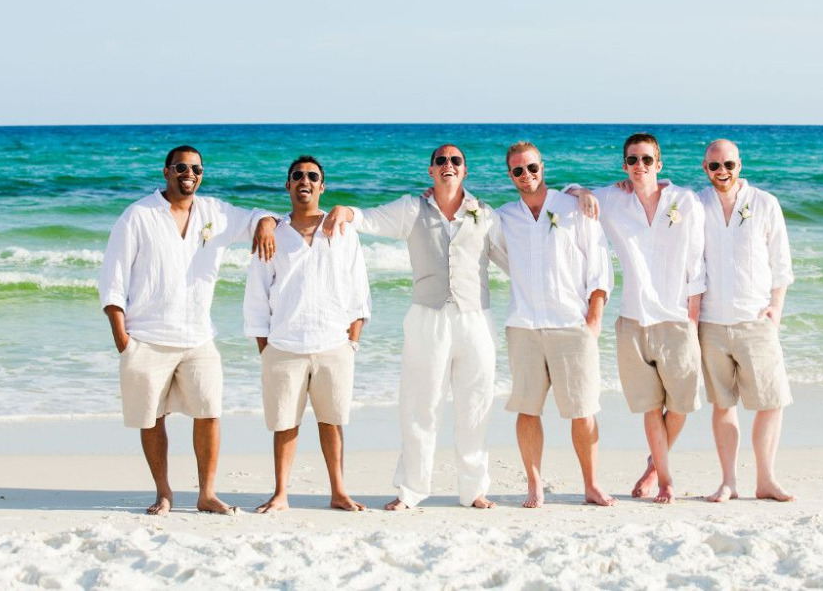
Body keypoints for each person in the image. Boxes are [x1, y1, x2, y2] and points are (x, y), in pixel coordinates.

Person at [323, 144, 507, 510]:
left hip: (476, 319)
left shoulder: (484, 213)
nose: (448, 166)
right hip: (428, 318)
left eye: (455, 161)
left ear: (465, 170)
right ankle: (411, 489)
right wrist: (346, 210)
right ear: (431, 170)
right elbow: (371, 219)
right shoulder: (411, 208)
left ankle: (474, 490)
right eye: (441, 161)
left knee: (476, 405)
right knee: (420, 405)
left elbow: (512, 261)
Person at [99, 145, 278, 516]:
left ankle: (206, 494)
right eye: (180, 167)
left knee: (209, 412)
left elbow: (261, 214)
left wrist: (265, 223)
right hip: (145, 338)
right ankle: (163, 492)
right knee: (152, 418)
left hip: (198, 337)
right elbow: (112, 282)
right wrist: (123, 341)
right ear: (166, 172)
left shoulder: (214, 213)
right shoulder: (138, 216)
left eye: (196, 169)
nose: (189, 174)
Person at [568, 133, 706, 504]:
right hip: (632, 319)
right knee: (648, 407)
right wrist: (581, 190)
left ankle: (651, 466)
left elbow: (697, 265)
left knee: (680, 405)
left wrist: (693, 323)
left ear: (659, 165)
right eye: (632, 161)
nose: (639, 167)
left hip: (677, 320)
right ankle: (664, 480)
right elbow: (567, 192)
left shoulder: (685, 202)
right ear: (624, 166)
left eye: (647, 160)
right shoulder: (613, 199)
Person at [244, 155, 370, 512]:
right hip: (284, 346)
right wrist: (266, 348)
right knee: (285, 423)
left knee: (333, 422)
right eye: (297, 176)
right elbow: (257, 295)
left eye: (312, 177)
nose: (305, 181)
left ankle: (339, 491)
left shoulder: (343, 231)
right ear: (287, 185)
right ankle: (281, 493)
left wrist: (352, 342)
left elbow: (358, 291)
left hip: (334, 345)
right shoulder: (273, 233)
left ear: (322, 186)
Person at [496, 141, 615, 508]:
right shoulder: (503, 217)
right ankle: (535, 485)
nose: (526, 175)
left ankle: (592, 485)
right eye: (518, 170)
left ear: (542, 167)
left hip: (571, 324)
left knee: (583, 409)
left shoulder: (574, 207)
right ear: (510, 175)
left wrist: (593, 320)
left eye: (532, 168)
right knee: (527, 409)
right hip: (524, 326)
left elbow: (598, 265)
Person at [698, 139, 796, 502]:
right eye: (714, 166)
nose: (722, 172)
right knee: (723, 404)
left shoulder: (765, 203)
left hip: (755, 320)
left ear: (740, 165)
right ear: (704, 168)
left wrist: (776, 308)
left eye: (728, 165)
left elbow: (781, 263)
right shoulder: (696, 204)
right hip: (710, 321)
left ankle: (766, 479)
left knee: (771, 401)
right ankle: (728, 481)